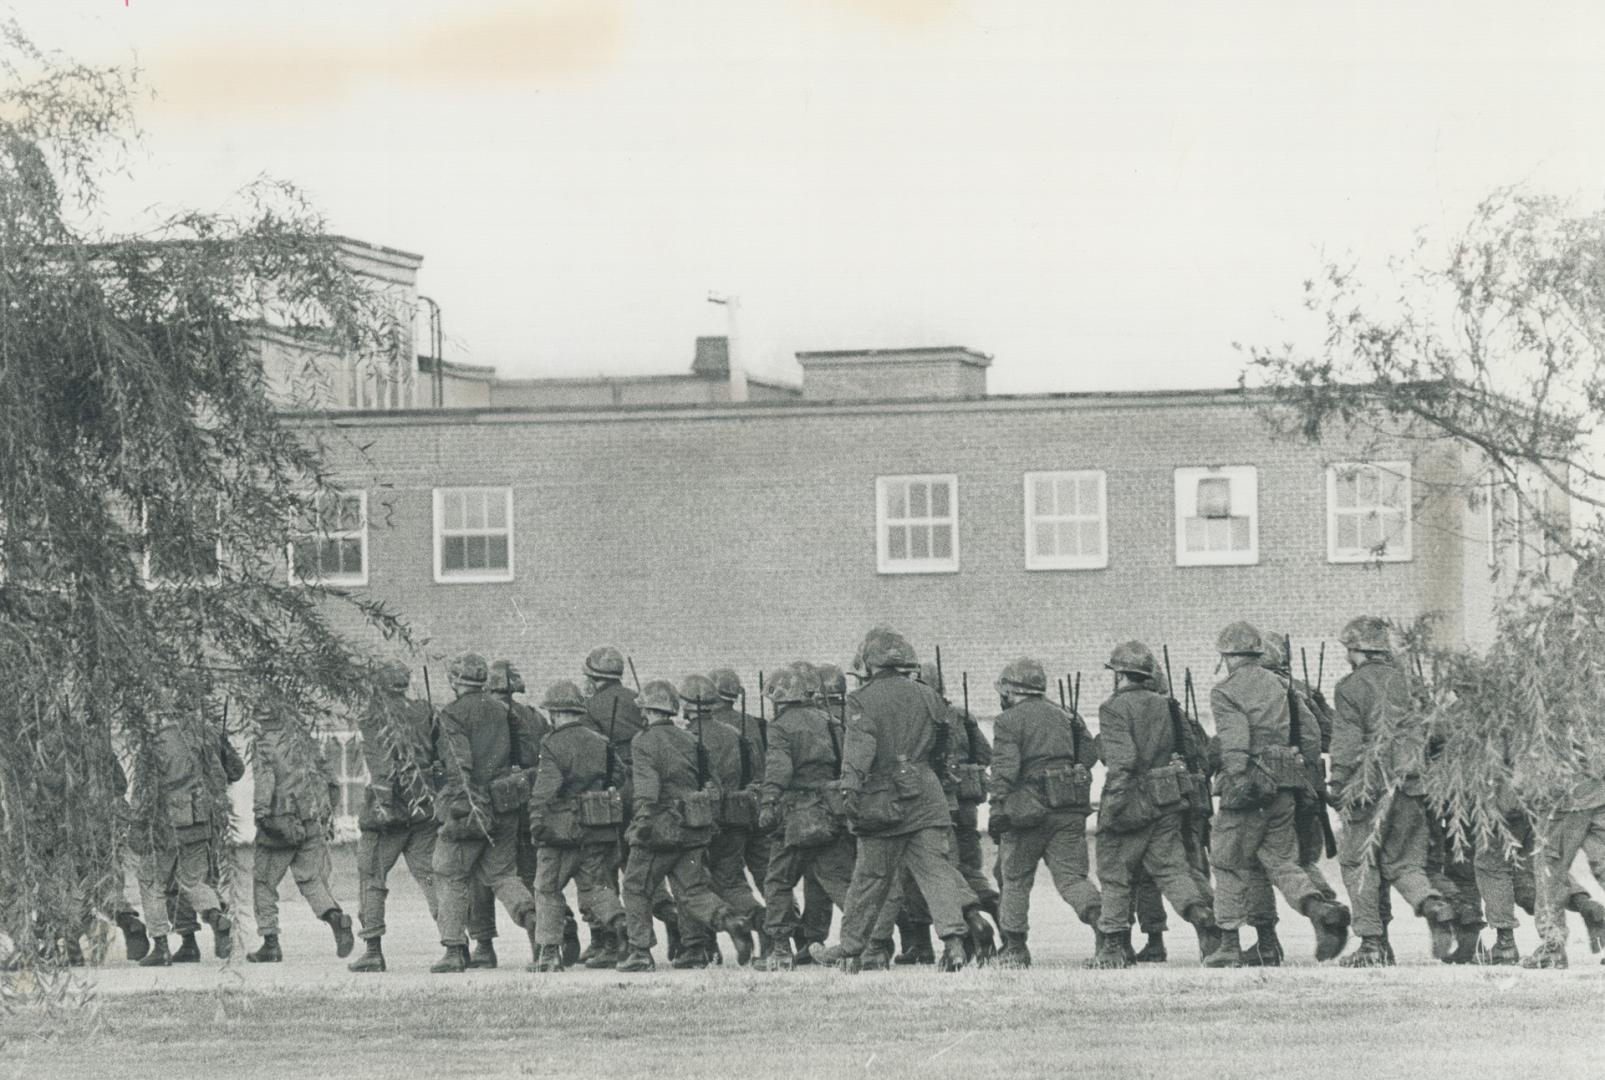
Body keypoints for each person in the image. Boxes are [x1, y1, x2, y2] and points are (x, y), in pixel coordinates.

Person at [809, 628, 992, 973]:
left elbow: (859, 751)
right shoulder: (928, 696)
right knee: (936, 873)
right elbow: (944, 745)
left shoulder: (862, 699)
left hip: (881, 800)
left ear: (871, 664)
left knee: (869, 879)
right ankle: (953, 944)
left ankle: (850, 951)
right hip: (926, 794)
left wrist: (850, 791)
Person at [1202, 622, 1350, 967]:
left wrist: (1237, 778)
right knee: (1283, 862)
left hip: (1248, 790)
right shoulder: (1284, 686)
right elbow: (1312, 736)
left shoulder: (1226, 690)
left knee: (1227, 862)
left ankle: (1228, 945)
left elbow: (1234, 740)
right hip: (1286, 787)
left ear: (1227, 655)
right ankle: (1321, 908)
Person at [1328, 616, 1456, 966]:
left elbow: (1347, 743)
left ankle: (1372, 946)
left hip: (1368, 788)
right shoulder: (1412, 684)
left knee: (1359, 863)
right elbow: (1439, 734)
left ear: (1357, 651)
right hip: (1413, 787)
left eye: (1348, 651)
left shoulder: (1350, 687)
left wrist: (1338, 783)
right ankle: (1433, 904)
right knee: (1405, 864)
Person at [1090, 641, 1220, 968]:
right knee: (1172, 869)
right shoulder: (1167, 706)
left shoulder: (1113, 708)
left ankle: (1113, 948)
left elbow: (1122, 763)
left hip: (1131, 800)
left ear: (1120, 674)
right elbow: (1192, 751)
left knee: (1115, 871)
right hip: (1167, 800)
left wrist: (1112, 810)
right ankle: (1201, 913)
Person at [616, 680, 753, 972]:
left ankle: (639, 952)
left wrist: (640, 826)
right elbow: (712, 783)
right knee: (693, 891)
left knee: (635, 886)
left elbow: (647, 792)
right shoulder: (690, 739)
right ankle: (730, 920)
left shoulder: (642, 741)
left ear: (647, 710)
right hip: (693, 828)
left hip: (659, 828)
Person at [428, 652, 541, 973]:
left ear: (454, 681)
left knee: (448, 871)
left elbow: (458, 764)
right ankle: (530, 917)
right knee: (503, 874)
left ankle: (454, 950)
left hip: (470, 804)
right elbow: (528, 752)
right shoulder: (505, 711)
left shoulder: (452, 714)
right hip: (505, 804)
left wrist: (460, 804)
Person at [987, 657, 1102, 967]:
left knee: (1015, 879)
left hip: (1025, 813)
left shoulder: (1007, 721)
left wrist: (997, 806)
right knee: (1072, 879)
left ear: (1011, 691)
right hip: (1068, 809)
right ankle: (1107, 932)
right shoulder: (1066, 716)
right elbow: (1090, 755)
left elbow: (1005, 769)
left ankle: (1014, 949)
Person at [756, 666, 856, 970]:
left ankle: (780, 950)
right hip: (829, 811)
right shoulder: (830, 721)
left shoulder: (781, 726)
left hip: (795, 815)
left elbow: (779, 768)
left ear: (779, 697)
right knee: (839, 881)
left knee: (778, 881)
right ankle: (863, 942)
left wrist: (768, 801)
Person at [526, 679, 627, 972]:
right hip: (597, 827)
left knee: (546, 888)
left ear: (556, 714)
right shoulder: (601, 741)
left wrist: (537, 823)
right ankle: (620, 922)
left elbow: (544, 791)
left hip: (561, 832)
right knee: (594, 886)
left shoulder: (552, 743)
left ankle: (548, 954)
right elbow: (619, 777)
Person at [465, 659, 557, 969]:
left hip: (494, 802)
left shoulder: (482, 716)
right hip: (528, 801)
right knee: (531, 874)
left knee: (484, 873)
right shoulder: (534, 716)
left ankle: (484, 944)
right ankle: (541, 943)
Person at [348, 662, 439, 973]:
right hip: (424, 807)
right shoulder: (423, 710)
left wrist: (384, 804)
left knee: (371, 876)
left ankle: (373, 948)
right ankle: (455, 941)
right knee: (430, 876)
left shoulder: (373, 716)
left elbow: (380, 766)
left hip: (389, 813)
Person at [130, 706, 239, 966]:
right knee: (192, 880)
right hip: (200, 818)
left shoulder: (153, 739)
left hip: (164, 820)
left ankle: (161, 946)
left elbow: (143, 790)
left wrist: (137, 823)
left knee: (152, 880)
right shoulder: (204, 733)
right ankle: (214, 916)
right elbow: (223, 776)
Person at [246, 710, 354, 963]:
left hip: (280, 820)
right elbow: (330, 778)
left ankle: (270, 942)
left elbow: (265, 779)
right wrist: (328, 811)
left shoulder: (263, 743)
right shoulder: (304, 739)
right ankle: (335, 918)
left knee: (264, 881)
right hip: (312, 818)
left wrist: (261, 814)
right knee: (311, 879)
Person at [676, 673, 764, 967]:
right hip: (736, 818)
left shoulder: (686, 738)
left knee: (691, 883)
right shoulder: (736, 735)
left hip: (700, 820)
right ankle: (758, 917)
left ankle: (697, 948)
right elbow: (752, 775)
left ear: (687, 705)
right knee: (732, 881)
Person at [708, 666, 782, 957]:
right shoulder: (757, 724)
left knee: (727, 880)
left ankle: (757, 919)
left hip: (729, 816)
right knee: (770, 877)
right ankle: (785, 934)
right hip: (760, 808)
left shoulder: (709, 730)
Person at [578, 646, 645, 964]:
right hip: (640, 785)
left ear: (593, 677)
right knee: (635, 865)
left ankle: (609, 939)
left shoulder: (590, 707)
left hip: (610, 788)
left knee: (602, 864)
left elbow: (590, 753)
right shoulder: (639, 698)